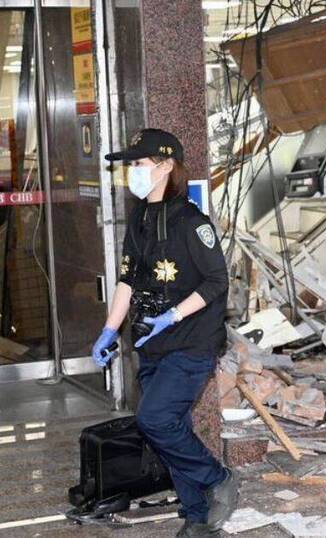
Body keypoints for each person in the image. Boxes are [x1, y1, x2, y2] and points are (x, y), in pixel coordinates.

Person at [91, 128, 238, 537]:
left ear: (166, 165)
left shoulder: (191, 222)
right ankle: (197, 517)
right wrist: (109, 330)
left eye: (139, 163)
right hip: (152, 344)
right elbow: (127, 280)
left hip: (192, 342)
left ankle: (217, 478)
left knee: (153, 419)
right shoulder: (139, 219)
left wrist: (173, 315)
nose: (132, 172)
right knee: (173, 428)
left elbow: (217, 281)